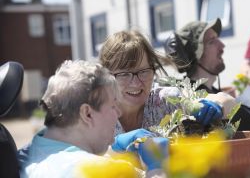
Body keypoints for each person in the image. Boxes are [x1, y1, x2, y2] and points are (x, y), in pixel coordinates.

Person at [17, 60, 169, 178]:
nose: (118, 113)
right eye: (113, 105)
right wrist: (157, 168)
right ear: (87, 113)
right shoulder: (101, 171)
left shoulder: (25, 154)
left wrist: (112, 148)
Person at [99, 30, 234, 135]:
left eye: (143, 71)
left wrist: (217, 106)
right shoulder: (95, 115)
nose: (135, 83)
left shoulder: (165, 101)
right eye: (124, 74)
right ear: (108, 77)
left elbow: (229, 101)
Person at [164, 18, 250, 129]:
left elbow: (240, 98)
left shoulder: (213, 91)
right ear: (195, 55)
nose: (222, 45)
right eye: (211, 41)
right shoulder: (199, 100)